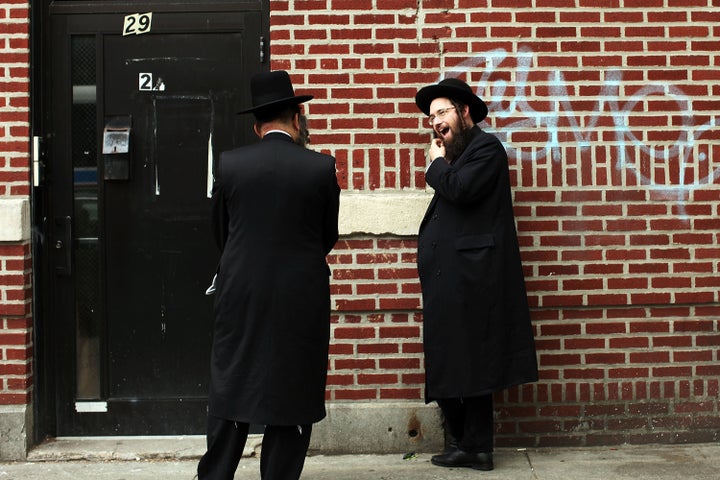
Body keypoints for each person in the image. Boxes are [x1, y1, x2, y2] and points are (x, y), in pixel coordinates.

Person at [197, 70, 340, 480]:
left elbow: (221, 232)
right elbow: (325, 235)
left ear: (257, 125)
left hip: (240, 290)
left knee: (232, 379)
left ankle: (217, 472)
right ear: (297, 117)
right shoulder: (320, 167)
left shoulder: (231, 165)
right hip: (301, 292)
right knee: (292, 383)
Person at [414, 77, 538, 471]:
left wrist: (434, 165)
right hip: (451, 279)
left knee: (474, 361)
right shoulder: (458, 157)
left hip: (474, 279)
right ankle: (466, 444)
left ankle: (476, 446)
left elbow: (462, 191)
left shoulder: (487, 149)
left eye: (442, 112)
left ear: (465, 112)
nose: (435, 122)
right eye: (431, 116)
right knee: (452, 358)